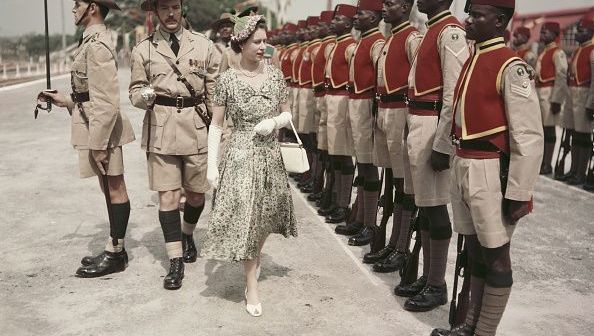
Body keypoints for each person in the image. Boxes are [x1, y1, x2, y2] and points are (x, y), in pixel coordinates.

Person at [431, 1, 543, 335]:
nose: (469, 19)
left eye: (477, 15)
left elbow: (528, 136)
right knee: (475, 252)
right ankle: (468, 327)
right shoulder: (473, 57)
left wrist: (519, 193)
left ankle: (484, 331)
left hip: (489, 169)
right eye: (470, 13)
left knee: (496, 255)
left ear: (499, 21)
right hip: (463, 163)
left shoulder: (510, 66)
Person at [203, 15, 298, 317]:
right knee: (246, 218)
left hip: (270, 155)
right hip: (241, 154)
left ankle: (254, 259)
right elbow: (216, 125)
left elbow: (288, 115)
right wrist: (211, 165)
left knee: (264, 219)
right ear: (241, 43)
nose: (263, 47)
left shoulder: (275, 75)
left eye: (264, 41)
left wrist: (273, 122)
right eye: (256, 42)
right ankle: (250, 284)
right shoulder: (226, 80)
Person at [38, 0, 135, 278]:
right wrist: (65, 100)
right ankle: (116, 247)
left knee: (114, 186)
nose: (73, 9)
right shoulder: (90, 41)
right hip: (91, 121)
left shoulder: (98, 44)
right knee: (108, 186)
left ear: (92, 7)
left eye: (77, 4)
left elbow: (106, 100)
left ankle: (117, 253)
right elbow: (90, 92)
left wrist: (99, 143)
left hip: (101, 127)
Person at [129, 0, 220, 290]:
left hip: (196, 128)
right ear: (155, 12)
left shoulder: (204, 46)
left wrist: (221, 131)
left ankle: (188, 233)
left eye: (175, 7)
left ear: (183, 10)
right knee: (168, 197)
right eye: (164, 8)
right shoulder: (144, 49)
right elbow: (134, 91)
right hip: (162, 129)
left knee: (195, 195)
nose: (171, 13)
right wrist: (143, 95)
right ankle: (175, 261)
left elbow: (215, 94)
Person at [398, 0, 469, 312]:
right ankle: (428, 276)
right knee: (424, 207)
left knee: (436, 206)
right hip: (418, 119)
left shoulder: (450, 31)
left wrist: (442, 145)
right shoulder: (431, 28)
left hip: (432, 123)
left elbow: (454, 93)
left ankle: (437, 284)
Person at [366, 0, 421, 273]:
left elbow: (418, 79)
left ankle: (402, 247)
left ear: (404, 7)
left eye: (390, 3)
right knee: (391, 180)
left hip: (401, 111)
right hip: (386, 110)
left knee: (404, 185)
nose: (384, 8)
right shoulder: (391, 38)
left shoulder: (412, 38)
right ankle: (392, 242)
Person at [341, 0, 385, 250]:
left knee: (369, 168)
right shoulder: (362, 42)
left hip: (368, 107)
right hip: (356, 105)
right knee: (362, 166)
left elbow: (381, 79)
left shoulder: (377, 43)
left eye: (362, 13)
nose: (356, 17)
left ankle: (370, 224)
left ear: (375, 16)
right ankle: (360, 217)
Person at [324, 4, 358, 230]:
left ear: (347, 23)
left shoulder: (350, 46)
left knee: (344, 154)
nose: (332, 23)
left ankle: (343, 203)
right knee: (335, 153)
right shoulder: (336, 44)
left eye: (338, 20)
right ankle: (336, 198)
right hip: (332, 98)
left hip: (343, 99)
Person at [308, 10, 337, 202]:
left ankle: (334, 195)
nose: (315, 29)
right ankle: (316, 179)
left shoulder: (331, 45)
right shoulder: (327, 45)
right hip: (322, 94)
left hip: (336, 96)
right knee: (318, 142)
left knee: (334, 151)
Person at [563, 18, 594, 186]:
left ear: (591, 33)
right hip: (573, 94)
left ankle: (581, 173)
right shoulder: (577, 51)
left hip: (585, 95)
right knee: (574, 135)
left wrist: (591, 104)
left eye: (582, 31)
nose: (577, 34)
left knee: (583, 136)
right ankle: (573, 169)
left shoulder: (592, 50)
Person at [535, 21, 567, 175]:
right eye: (541, 32)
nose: (542, 35)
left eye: (545, 32)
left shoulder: (557, 53)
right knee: (540, 129)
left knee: (549, 130)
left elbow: (561, 77)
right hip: (540, 92)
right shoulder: (543, 52)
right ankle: (541, 162)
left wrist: (556, 99)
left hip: (549, 93)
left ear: (555, 35)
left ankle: (548, 163)